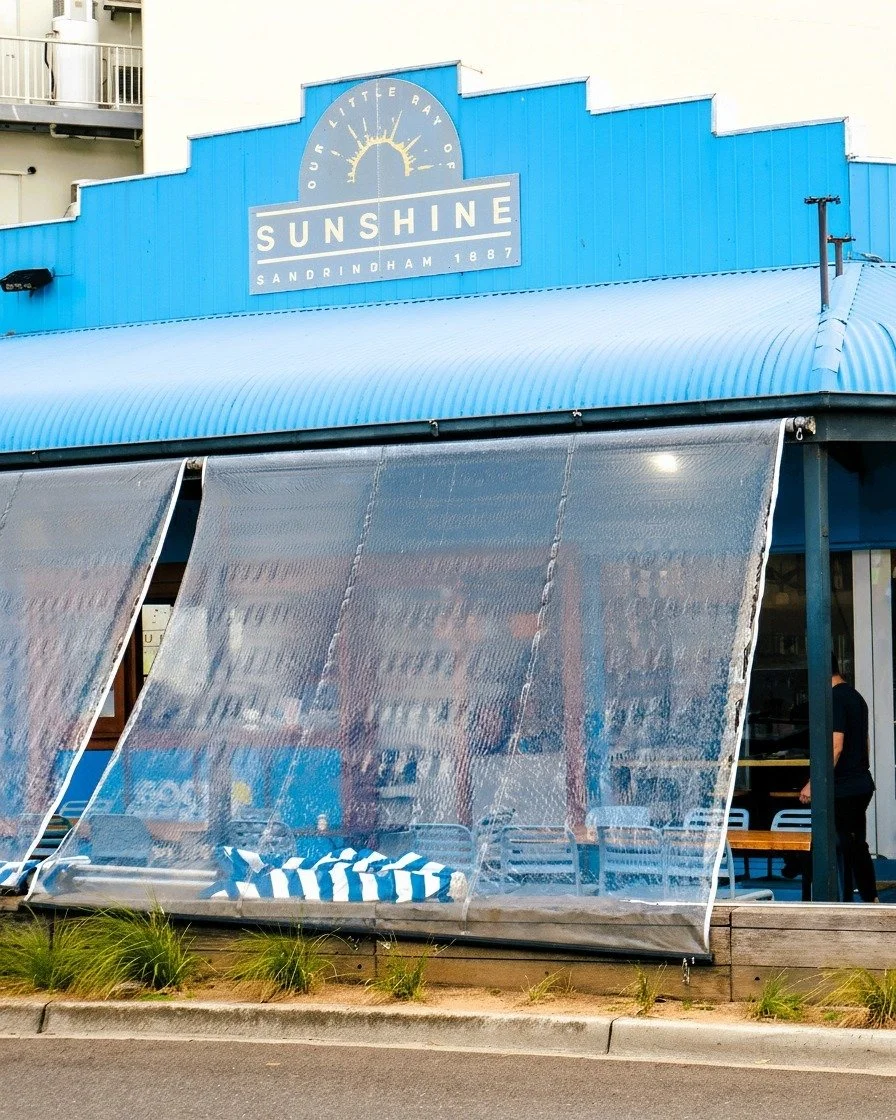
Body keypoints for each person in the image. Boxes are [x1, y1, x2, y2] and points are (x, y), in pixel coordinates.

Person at [798, 654, 878, 903]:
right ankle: (869, 898)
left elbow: (836, 746)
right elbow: (864, 743)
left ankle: (834, 900)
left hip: (844, 786)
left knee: (837, 844)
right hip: (859, 782)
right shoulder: (855, 697)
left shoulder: (835, 698)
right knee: (855, 845)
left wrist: (814, 783)